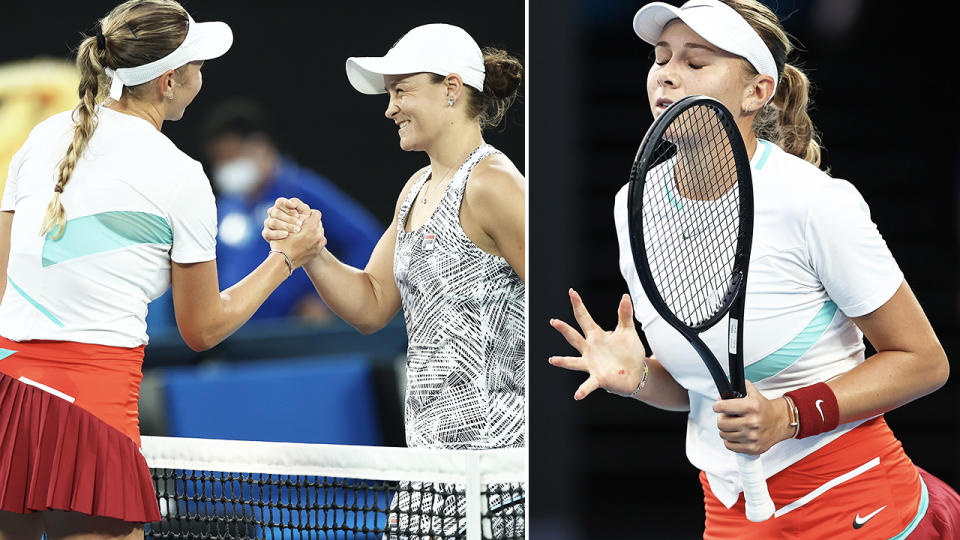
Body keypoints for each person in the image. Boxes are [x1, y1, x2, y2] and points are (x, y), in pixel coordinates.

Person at [548, 1, 960, 538]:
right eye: (661, 58)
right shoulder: (634, 204)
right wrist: (643, 378)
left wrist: (789, 415)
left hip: (855, 502)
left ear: (757, 92)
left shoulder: (816, 202)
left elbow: (924, 361)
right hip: (728, 514)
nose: (668, 73)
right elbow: (706, 389)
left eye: (696, 63)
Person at [0, 2, 323, 539]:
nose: (202, 74)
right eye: (198, 64)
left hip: (8, 394)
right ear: (170, 81)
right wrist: (286, 259)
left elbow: (4, 279)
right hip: (91, 408)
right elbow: (202, 328)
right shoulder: (181, 176)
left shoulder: (39, 140)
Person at [262, 23, 525, 538]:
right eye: (389, 94)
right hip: (429, 469)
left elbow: (558, 302)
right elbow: (372, 305)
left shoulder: (494, 184)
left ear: (451, 89)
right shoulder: (415, 189)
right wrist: (313, 252)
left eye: (401, 91)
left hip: (496, 472)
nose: (390, 108)